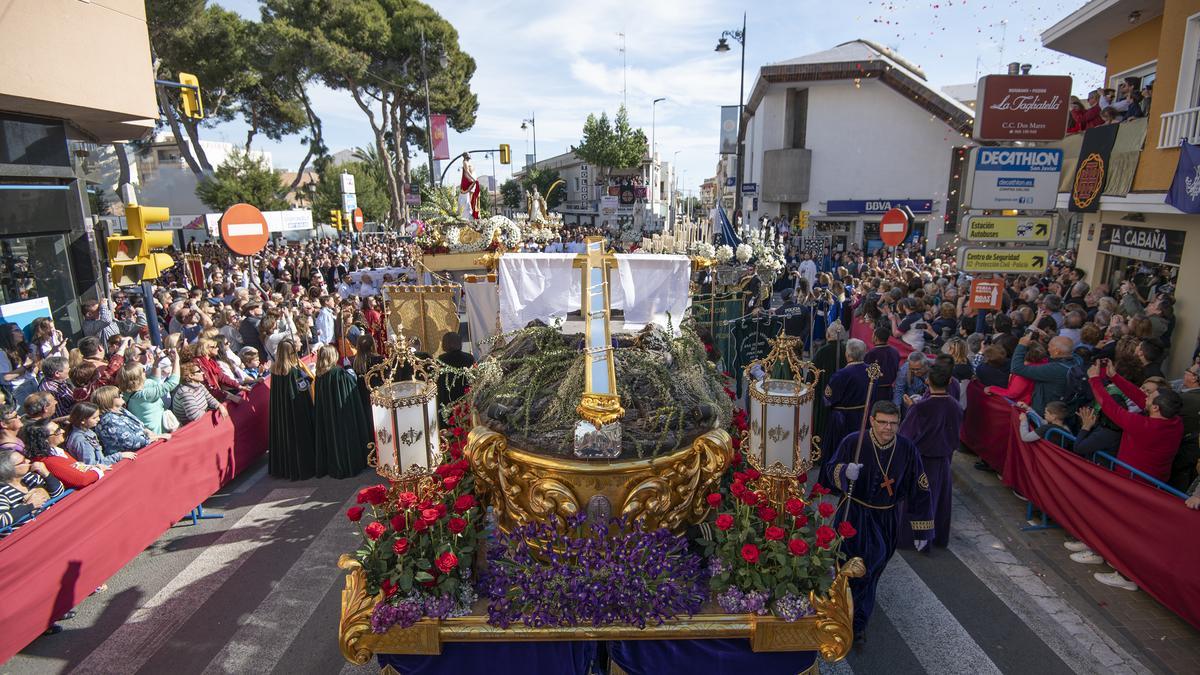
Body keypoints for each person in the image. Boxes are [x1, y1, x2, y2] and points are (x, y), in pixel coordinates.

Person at [821, 400, 933, 642]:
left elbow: (920, 489)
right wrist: (843, 472)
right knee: (851, 569)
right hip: (853, 514)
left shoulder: (907, 449)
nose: (888, 428)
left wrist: (922, 530)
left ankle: (853, 615)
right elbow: (829, 469)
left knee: (872, 570)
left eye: (893, 423)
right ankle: (855, 623)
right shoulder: (854, 441)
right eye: (882, 422)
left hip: (886, 518)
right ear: (872, 420)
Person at [897, 361, 961, 548]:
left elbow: (906, 436)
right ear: (949, 381)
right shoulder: (955, 406)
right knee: (938, 501)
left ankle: (911, 538)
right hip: (942, 462)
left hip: (920, 461)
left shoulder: (920, 408)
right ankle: (934, 537)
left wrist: (910, 409)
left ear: (927, 381)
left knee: (916, 500)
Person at [1087, 360, 1183, 483]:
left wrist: (1094, 380)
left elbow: (1111, 407)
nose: (1145, 397)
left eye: (1149, 396)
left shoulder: (1143, 426)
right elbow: (1140, 398)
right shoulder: (1176, 422)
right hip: (1157, 479)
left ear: (1155, 408)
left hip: (1132, 480)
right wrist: (1114, 376)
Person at [312, 345, 372, 479]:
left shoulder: (319, 374)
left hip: (328, 415)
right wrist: (349, 369)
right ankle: (347, 464)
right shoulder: (338, 373)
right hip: (341, 413)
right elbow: (351, 384)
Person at [267, 339, 318, 480]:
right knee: (298, 438)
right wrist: (308, 378)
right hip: (296, 411)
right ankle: (303, 468)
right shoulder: (293, 371)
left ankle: (285, 468)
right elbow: (301, 388)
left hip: (282, 412)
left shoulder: (275, 370)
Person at [823, 338, 872, 461]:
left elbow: (828, 399)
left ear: (847, 354)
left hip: (842, 420)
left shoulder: (841, 374)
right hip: (863, 417)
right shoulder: (871, 371)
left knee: (840, 452)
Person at [1009, 334, 1082, 416]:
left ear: (1057, 351)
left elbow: (1016, 368)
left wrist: (1021, 345)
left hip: (1047, 415)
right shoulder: (1077, 360)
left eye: (1050, 346)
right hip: (1066, 409)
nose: (1048, 349)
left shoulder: (1054, 369)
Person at [20, 419, 105, 489]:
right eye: (57, 431)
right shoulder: (47, 462)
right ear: (45, 440)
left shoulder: (57, 451)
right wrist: (98, 471)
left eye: (59, 428)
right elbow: (81, 480)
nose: (63, 431)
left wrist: (92, 468)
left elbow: (77, 467)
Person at [0, 447, 65, 534]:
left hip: (54, 525)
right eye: (23, 461)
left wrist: (46, 474)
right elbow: (1, 521)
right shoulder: (3, 493)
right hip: (30, 537)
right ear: (10, 470)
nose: (28, 461)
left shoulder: (31, 477)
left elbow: (59, 493)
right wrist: (29, 506)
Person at [116, 349, 180, 434]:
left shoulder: (128, 392)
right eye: (142, 371)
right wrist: (176, 360)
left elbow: (154, 381)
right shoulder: (144, 395)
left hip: (149, 432)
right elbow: (173, 382)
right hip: (158, 434)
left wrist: (156, 363)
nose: (145, 372)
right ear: (137, 378)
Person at [93, 385, 165, 456]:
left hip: (141, 450)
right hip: (129, 458)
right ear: (109, 400)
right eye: (118, 394)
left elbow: (138, 425)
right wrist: (155, 437)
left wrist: (145, 431)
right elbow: (129, 442)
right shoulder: (108, 420)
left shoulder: (121, 410)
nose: (121, 395)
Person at [65, 402, 136, 467]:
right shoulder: (82, 440)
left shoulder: (87, 431)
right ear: (83, 421)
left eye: (98, 416)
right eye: (94, 418)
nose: (98, 419)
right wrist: (119, 456)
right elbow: (91, 465)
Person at [171, 361, 227, 426]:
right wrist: (210, 413)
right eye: (199, 371)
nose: (202, 373)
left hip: (203, 419)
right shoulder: (185, 392)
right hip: (192, 428)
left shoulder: (199, 385)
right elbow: (195, 416)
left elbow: (210, 399)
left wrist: (219, 406)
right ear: (191, 376)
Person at [436, 332, 476, 413]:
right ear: (460, 343)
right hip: (465, 397)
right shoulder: (469, 357)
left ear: (444, 344)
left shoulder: (441, 359)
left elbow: (438, 382)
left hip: (448, 398)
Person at [863, 326, 899, 404]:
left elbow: (866, 373)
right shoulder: (895, 351)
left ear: (875, 338)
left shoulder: (871, 353)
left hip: (875, 390)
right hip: (889, 390)